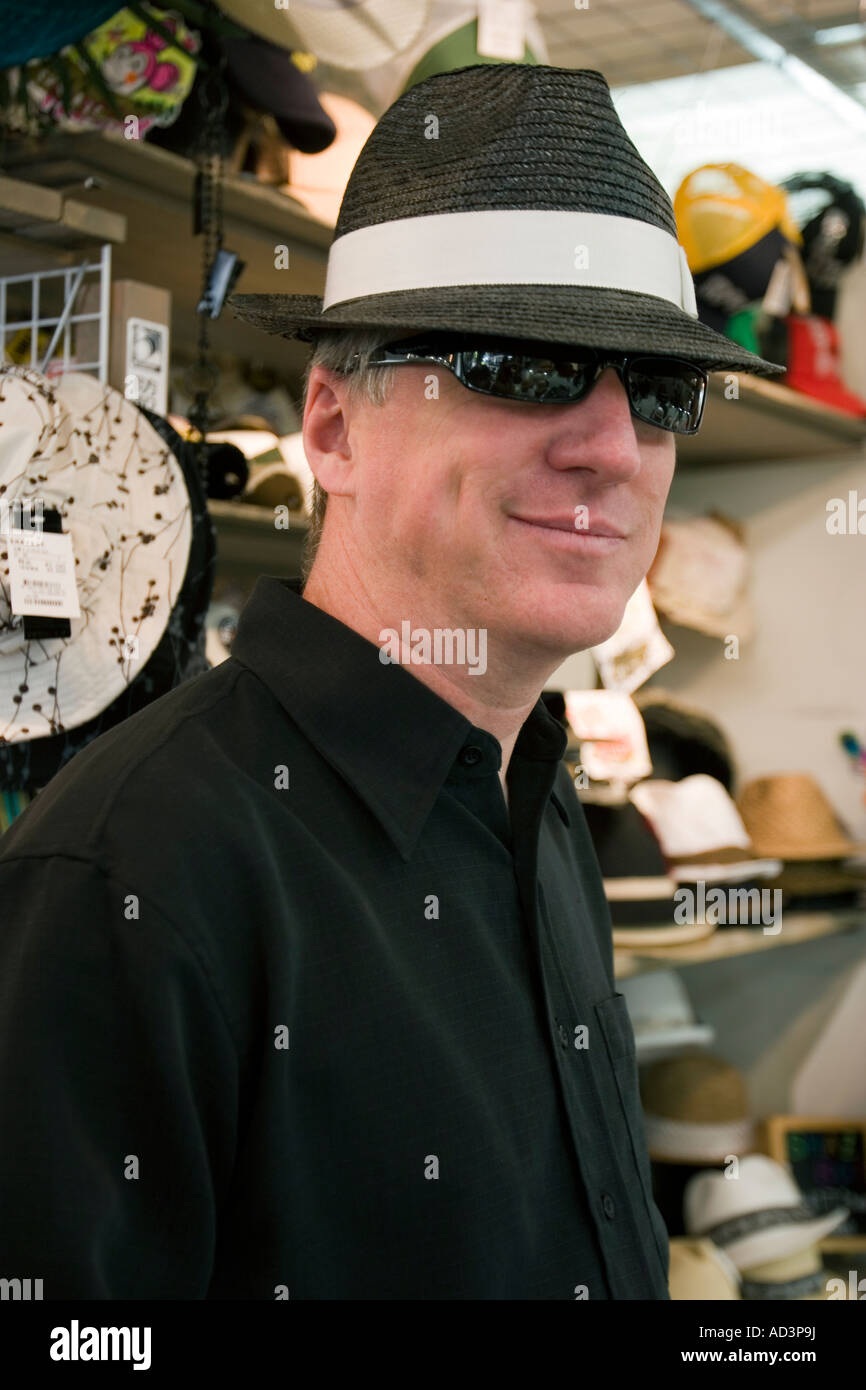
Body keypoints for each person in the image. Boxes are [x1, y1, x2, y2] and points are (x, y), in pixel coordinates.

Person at [0, 63, 781, 1300]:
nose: (612, 446)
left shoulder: (537, 805)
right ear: (332, 428)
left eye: (659, 390)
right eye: (518, 365)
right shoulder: (131, 873)